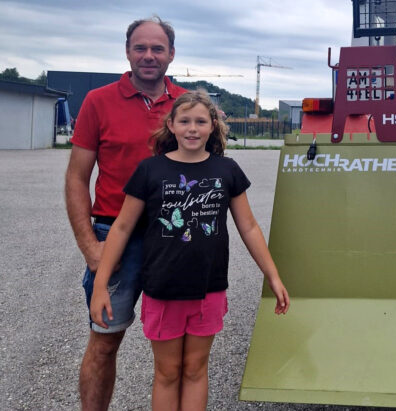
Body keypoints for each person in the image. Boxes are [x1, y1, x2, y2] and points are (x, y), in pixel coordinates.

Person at [90, 90, 290, 410]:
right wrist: (101, 284)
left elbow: (249, 227)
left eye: (200, 121)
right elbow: (123, 228)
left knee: (196, 370)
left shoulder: (227, 171)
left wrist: (273, 275)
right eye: (184, 121)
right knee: (167, 372)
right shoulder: (150, 170)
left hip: (208, 289)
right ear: (171, 125)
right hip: (163, 289)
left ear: (213, 126)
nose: (192, 128)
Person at [65, 16, 187, 410]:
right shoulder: (98, 101)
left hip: (172, 240)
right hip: (114, 238)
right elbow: (77, 178)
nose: (149, 56)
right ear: (128, 51)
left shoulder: (188, 105)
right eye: (140, 48)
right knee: (104, 343)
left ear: (171, 53)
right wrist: (90, 247)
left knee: (176, 351)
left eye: (157, 48)